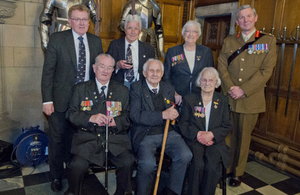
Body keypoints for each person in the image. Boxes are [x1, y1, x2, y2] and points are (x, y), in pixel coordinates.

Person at [41, 4, 103, 192]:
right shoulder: (58, 39)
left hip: (85, 102)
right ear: (69, 21)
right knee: (58, 140)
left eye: (85, 19)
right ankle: (57, 176)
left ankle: (75, 173)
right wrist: (47, 100)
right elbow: (48, 73)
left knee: (79, 139)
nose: (81, 23)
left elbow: (98, 72)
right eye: (77, 19)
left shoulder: (96, 41)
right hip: (60, 100)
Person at [217, 4, 276, 186]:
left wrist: (243, 90)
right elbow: (221, 66)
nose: (245, 20)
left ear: (255, 18)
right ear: (237, 22)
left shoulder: (268, 41)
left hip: (250, 99)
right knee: (226, 136)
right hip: (229, 97)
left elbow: (266, 71)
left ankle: (237, 173)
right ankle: (224, 169)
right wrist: (231, 87)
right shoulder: (229, 41)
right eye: (241, 18)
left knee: (243, 138)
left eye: (248, 16)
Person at [64, 54, 134, 195]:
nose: (105, 71)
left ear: (113, 70)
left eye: (109, 68)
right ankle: (73, 192)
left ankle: (122, 192)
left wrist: (116, 121)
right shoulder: (81, 89)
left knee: (127, 162)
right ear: (94, 68)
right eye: (102, 66)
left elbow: (127, 117)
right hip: (87, 138)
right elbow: (70, 114)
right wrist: (91, 118)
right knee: (77, 166)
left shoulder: (122, 90)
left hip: (114, 138)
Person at [130, 59, 192, 195]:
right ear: (144, 73)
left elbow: (172, 109)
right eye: (151, 70)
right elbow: (135, 115)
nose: (154, 74)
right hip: (146, 134)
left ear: (162, 73)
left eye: (158, 71)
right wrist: (162, 115)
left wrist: (175, 113)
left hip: (168, 132)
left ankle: (172, 191)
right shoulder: (136, 88)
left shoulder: (168, 88)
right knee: (147, 165)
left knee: (185, 155)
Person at [179, 67, 232, 195]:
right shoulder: (189, 99)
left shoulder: (223, 101)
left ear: (216, 83)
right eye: (204, 80)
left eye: (211, 80)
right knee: (198, 165)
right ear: (199, 82)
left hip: (215, 142)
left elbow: (227, 125)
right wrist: (198, 135)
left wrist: (212, 135)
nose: (207, 83)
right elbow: (183, 124)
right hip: (194, 140)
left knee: (211, 166)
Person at [163, 20, 214, 106]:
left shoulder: (206, 52)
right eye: (188, 31)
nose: (191, 34)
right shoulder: (173, 51)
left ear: (198, 35)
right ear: (183, 34)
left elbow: (211, 75)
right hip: (178, 98)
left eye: (194, 31)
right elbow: (166, 76)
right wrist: (173, 93)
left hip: (199, 96)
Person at [106, 14, 155, 89]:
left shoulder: (148, 49)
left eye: (136, 28)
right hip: (118, 87)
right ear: (125, 29)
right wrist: (117, 65)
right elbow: (105, 66)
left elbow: (152, 71)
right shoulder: (114, 45)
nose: (133, 32)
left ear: (140, 30)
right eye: (129, 28)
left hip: (140, 88)